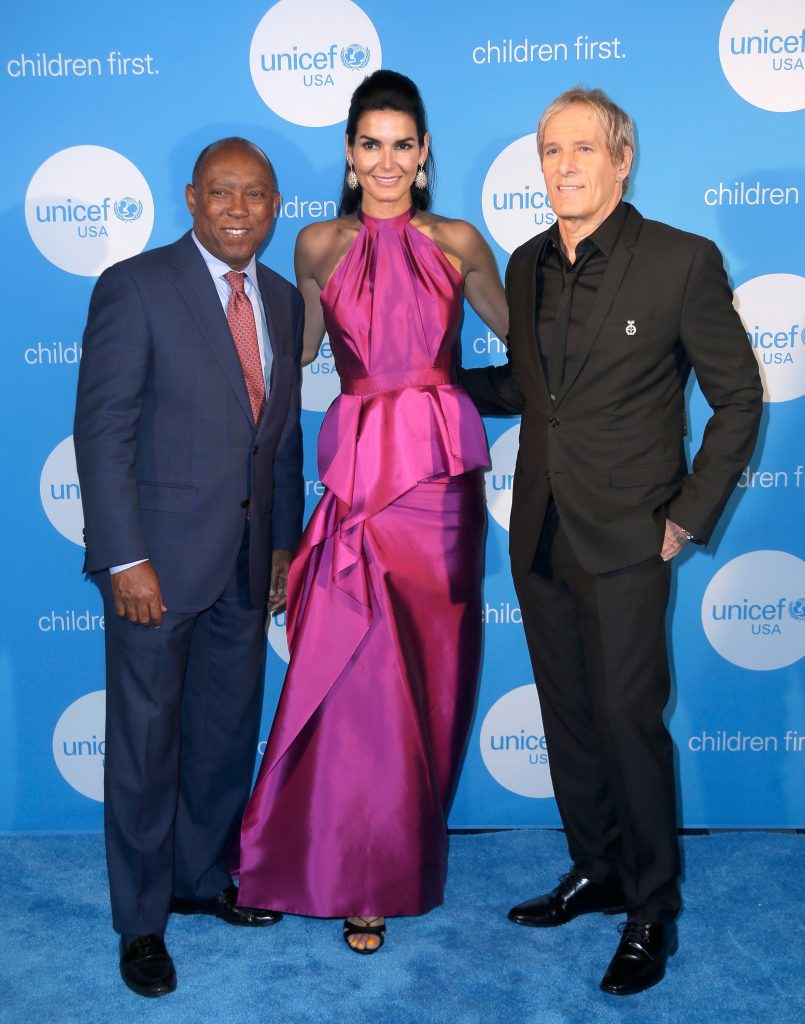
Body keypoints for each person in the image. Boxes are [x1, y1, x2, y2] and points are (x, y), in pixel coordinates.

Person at [460, 87, 762, 995]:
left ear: (621, 161)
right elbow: (529, 390)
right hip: (541, 530)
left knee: (628, 726)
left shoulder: (680, 260)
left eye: (583, 149)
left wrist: (688, 513)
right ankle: (597, 869)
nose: (564, 166)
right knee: (569, 720)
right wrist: (427, 381)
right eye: (551, 150)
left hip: (631, 536)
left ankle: (651, 909)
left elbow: (737, 398)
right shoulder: (524, 263)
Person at [236, 69, 508, 954]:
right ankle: (345, 867)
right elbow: (298, 356)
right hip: (358, 478)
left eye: (402, 145)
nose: (386, 161)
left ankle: (391, 857)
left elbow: (532, 346)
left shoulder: (459, 240)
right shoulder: (316, 244)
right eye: (369, 144)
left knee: (427, 676)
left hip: (438, 487)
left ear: (423, 154)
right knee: (355, 672)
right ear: (350, 155)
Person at [74, 138, 305, 998]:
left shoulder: (282, 299)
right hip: (156, 567)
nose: (238, 208)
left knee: (221, 736)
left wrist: (281, 544)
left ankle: (201, 878)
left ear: (276, 205)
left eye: (255, 194)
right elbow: (103, 432)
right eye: (221, 192)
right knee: (145, 746)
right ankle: (140, 922)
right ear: (191, 199)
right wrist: (124, 556)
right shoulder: (135, 286)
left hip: (245, 562)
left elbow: (278, 436)